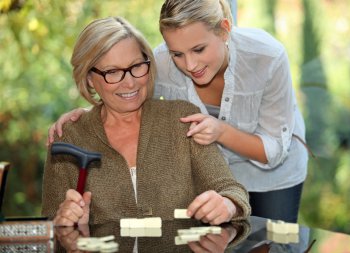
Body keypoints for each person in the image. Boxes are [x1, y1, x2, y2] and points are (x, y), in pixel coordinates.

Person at [47, 0, 308, 223]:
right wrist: (88, 113)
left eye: (198, 49)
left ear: (225, 30)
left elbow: (273, 151)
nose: (190, 65)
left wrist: (220, 132)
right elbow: (128, 88)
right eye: (177, 54)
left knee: (275, 244)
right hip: (220, 172)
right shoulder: (159, 63)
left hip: (274, 166)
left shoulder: (266, 57)